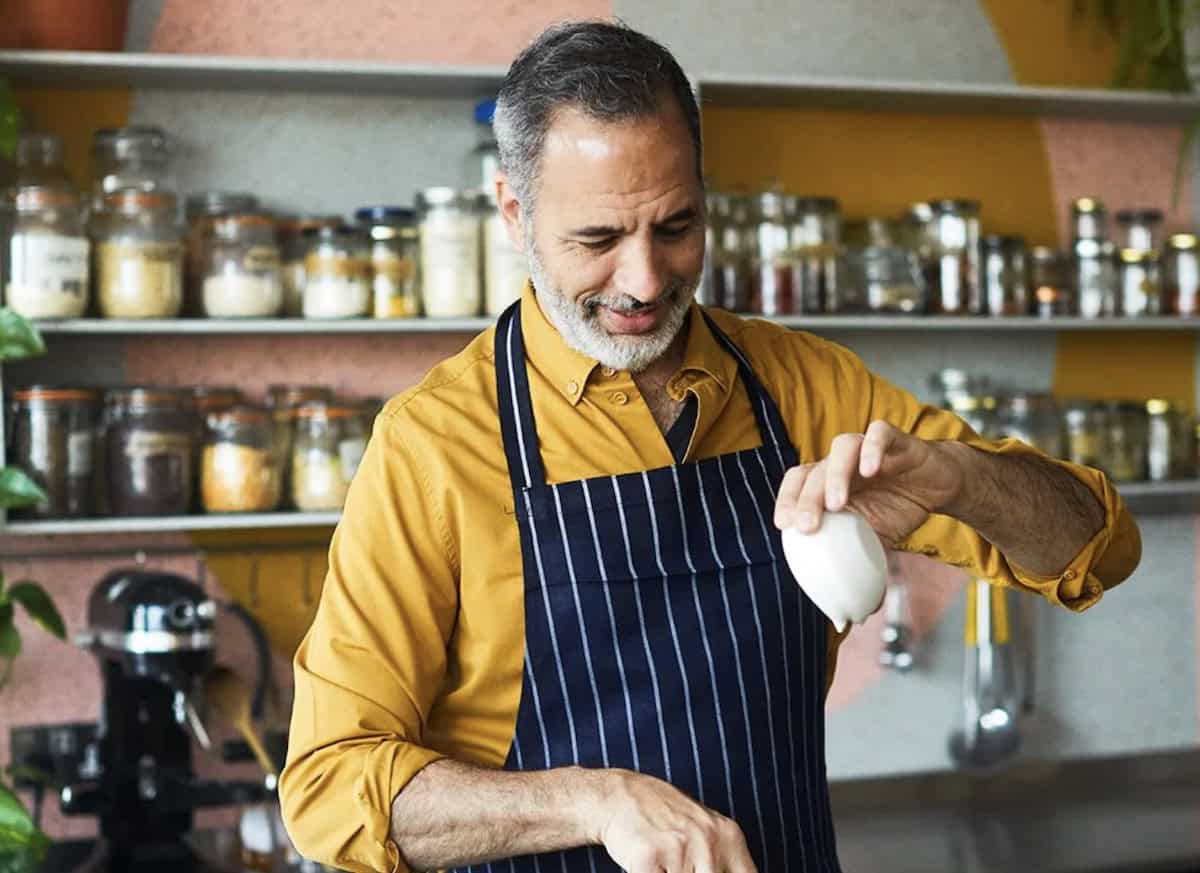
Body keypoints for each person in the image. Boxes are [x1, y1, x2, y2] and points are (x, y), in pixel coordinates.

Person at [278, 20, 1141, 873]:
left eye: (676, 225)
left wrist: (961, 479)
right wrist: (595, 799)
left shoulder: (803, 386)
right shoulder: (432, 444)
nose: (646, 280)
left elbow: (1098, 549)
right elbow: (328, 785)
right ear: (514, 211)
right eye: (599, 239)